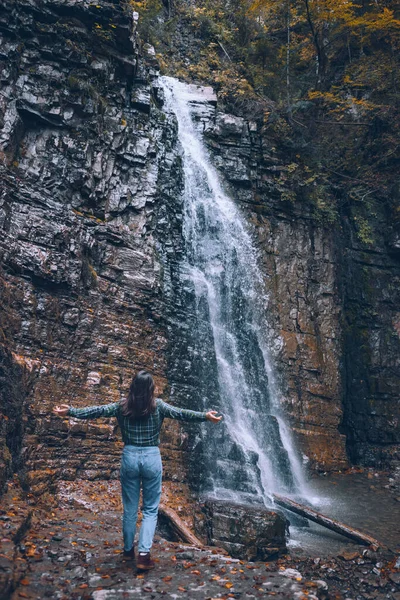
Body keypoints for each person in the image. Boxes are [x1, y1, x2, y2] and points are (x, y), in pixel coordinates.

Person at [53, 370, 222, 571]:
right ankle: (143, 555)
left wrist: (70, 411)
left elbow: (96, 411)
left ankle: (127, 550)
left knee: (130, 509)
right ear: (151, 388)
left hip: (130, 456)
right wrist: (205, 416)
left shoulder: (121, 406)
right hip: (151, 457)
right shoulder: (158, 406)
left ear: (133, 387)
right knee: (150, 509)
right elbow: (181, 413)